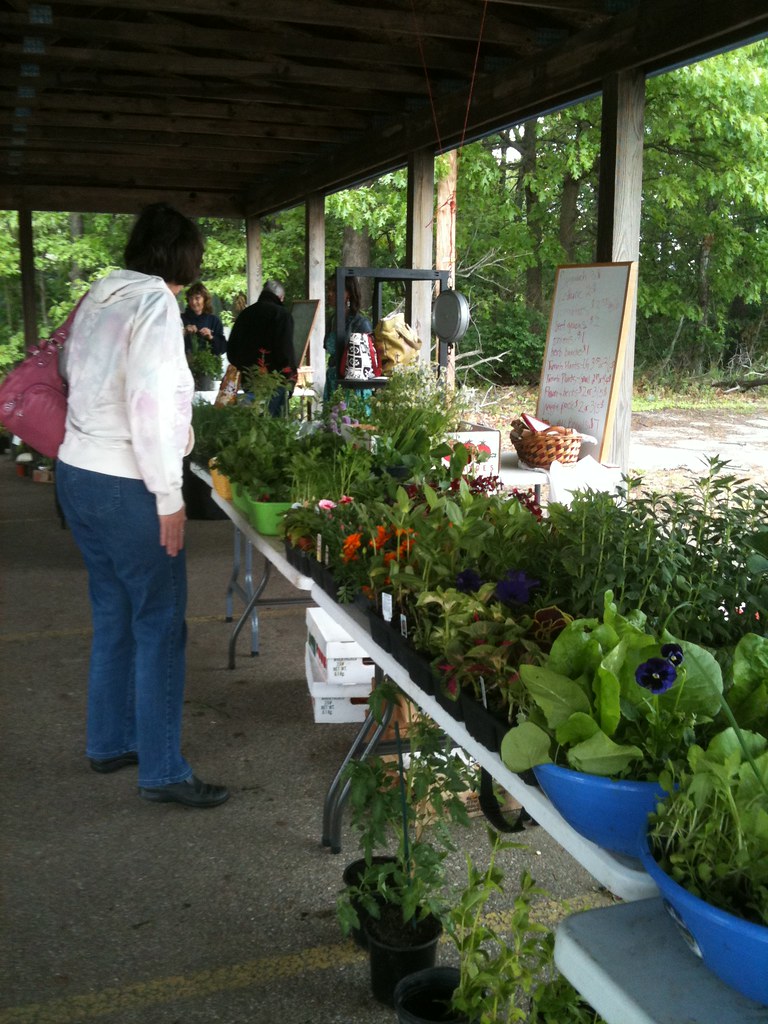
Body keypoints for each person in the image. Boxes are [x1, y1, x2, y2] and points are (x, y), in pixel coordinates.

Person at [55, 202, 229, 810]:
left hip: (76, 471)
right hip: (126, 481)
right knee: (159, 624)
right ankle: (161, 768)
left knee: (113, 610)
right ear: (183, 256)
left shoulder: (100, 293)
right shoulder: (155, 301)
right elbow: (153, 404)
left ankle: (108, 740)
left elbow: (68, 373)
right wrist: (169, 495)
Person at [226, 279, 296, 416]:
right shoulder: (282, 315)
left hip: (249, 381)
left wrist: (245, 367)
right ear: (280, 298)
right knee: (274, 429)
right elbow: (285, 351)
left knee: (253, 426)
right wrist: (290, 378)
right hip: (274, 384)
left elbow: (231, 352)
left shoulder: (245, 314)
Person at [323, 276, 373, 401]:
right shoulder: (332, 320)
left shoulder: (360, 323)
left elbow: (368, 361)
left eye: (334, 290)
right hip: (333, 380)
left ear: (348, 294)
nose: (329, 294)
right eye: (328, 289)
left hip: (352, 385)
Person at [181, 281, 227, 356]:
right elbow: (169, 342)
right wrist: (184, 331)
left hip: (208, 364)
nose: (193, 302)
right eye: (191, 298)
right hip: (184, 364)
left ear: (205, 300)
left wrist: (211, 337)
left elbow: (222, 349)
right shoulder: (181, 319)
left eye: (197, 298)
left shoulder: (214, 321)